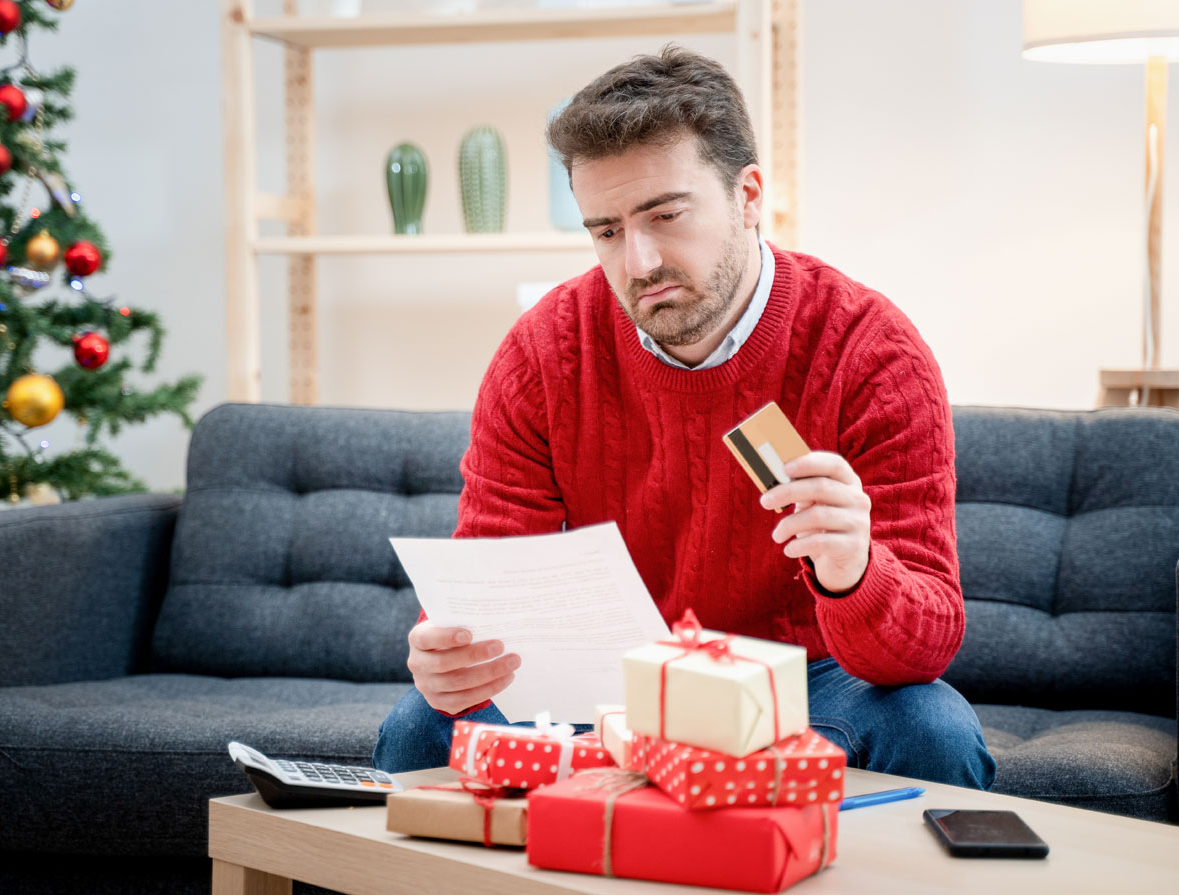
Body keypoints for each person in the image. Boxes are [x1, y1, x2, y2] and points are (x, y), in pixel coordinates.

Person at [373, 45, 995, 789]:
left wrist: (856, 573)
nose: (638, 262)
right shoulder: (544, 351)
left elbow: (925, 649)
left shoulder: (871, 352)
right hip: (615, 688)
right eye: (605, 231)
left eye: (665, 215)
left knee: (933, 729)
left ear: (749, 194)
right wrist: (449, 656)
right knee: (418, 726)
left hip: (805, 688)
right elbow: (489, 578)